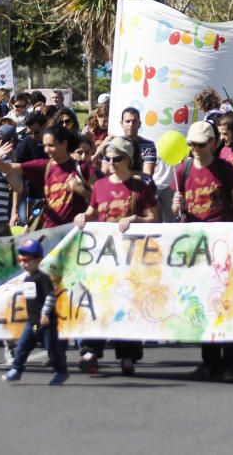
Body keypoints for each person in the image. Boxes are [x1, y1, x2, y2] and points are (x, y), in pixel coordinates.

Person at [73, 136, 159, 375]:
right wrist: (83, 217)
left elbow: (155, 218)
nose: (111, 162)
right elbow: (92, 210)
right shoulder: (100, 185)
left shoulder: (139, 186)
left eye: (117, 158)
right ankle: (91, 350)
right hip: (102, 256)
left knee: (126, 304)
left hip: (131, 258)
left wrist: (135, 219)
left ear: (128, 159)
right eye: (108, 158)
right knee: (98, 302)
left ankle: (128, 355)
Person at [172, 121, 233, 382]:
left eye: (201, 144)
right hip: (196, 246)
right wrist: (176, 204)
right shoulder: (183, 169)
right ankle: (209, 361)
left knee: (225, 303)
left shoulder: (225, 169)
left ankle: (231, 361)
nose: (195, 149)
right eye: (191, 144)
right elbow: (177, 211)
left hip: (223, 244)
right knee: (203, 304)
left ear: (213, 143)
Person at [0, 124, 92, 229]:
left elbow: (102, 199)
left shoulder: (82, 168)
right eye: (44, 146)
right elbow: (8, 168)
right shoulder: (43, 165)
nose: (46, 150)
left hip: (74, 232)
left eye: (51, 145)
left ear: (64, 144)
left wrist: (82, 190)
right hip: (49, 232)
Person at [2, 238, 69, 384]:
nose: (23, 263)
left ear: (38, 260)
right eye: (21, 259)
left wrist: (45, 313)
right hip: (32, 322)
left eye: (27, 260)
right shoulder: (27, 278)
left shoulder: (42, 277)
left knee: (52, 350)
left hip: (46, 323)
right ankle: (16, 369)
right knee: (23, 345)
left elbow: (50, 296)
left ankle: (61, 371)